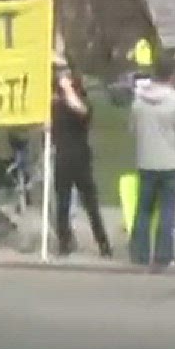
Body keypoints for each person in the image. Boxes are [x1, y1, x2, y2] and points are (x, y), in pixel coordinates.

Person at [128, 63, 175, 270]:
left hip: (146, 161)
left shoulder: (139, 101)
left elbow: (132, 128)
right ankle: (163, 255)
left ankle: (139, 253)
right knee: (167, 211)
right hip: (172, 163)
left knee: (143, 210)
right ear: (173, 77)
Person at [49, 63, 111, 257]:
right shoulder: (55, 106)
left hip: (80, 158)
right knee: (63, 203)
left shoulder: (83, 104)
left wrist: (67, 89)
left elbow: (80, 110)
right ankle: (64, 242)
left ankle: (103, 243)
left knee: (90, 204)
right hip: (62, 157)